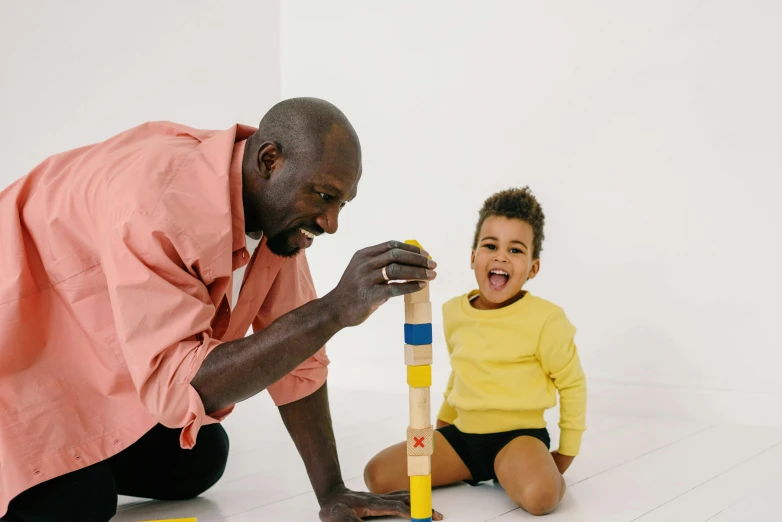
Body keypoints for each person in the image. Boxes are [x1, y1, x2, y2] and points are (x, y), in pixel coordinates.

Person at [0, 98, 442, 522]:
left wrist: (331, 492)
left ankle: (74, 457)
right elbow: (178, 386)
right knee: (81, 505)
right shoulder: (159, 207)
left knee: (201, 458)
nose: (331, 224)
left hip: (73, 360)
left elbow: (299, 358)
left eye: (341, 204)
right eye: (324, 197)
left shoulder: (276, 215)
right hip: (13, 365)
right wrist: (334, 309)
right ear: (270, 161)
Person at [364, 187, 587, 516]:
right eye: (491, 246)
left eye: (515, 249)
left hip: (519, 439)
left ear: (533, 268)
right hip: (463, 440)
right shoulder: (455, 312)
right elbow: (461, 372)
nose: (501, 256)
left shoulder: (546, 320)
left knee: (541, 497)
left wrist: (566, 453)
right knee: (377, 476)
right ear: (473, 257)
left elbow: (573, 384)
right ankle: (475, 471)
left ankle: (519, 471)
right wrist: (442, 425)